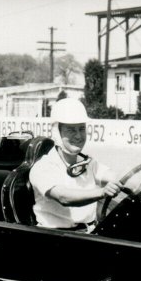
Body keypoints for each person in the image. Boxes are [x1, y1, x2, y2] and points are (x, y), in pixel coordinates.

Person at [29, 98, 122, 230]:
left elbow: (115, 177)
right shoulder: (43, 167)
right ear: (57, 132)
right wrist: (102, 192)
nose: (78, 136)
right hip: (55, 238)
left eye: (81, 129)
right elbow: (63, 197)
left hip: (90, 233)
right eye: (71, 130)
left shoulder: (88, 162)